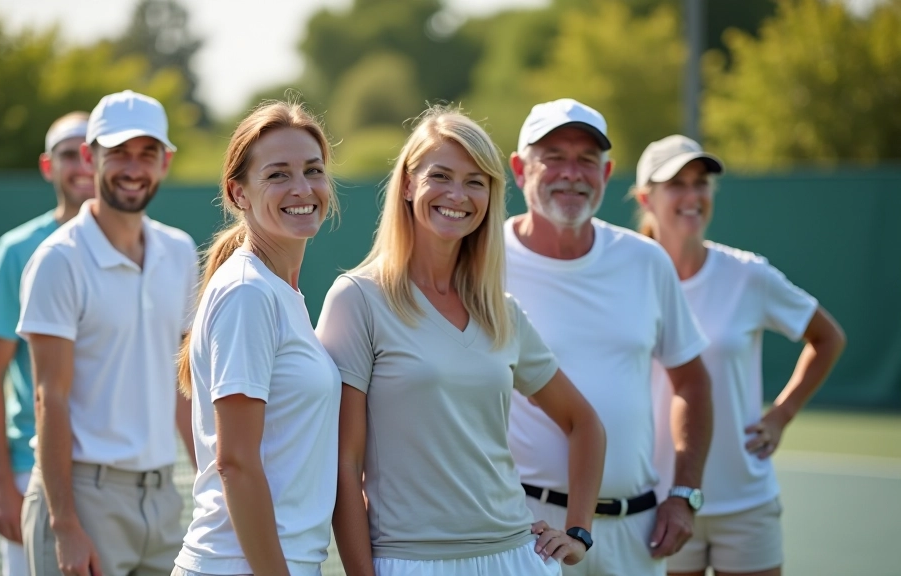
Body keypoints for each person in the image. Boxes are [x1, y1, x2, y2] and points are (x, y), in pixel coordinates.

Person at [316, 106, 606, 576]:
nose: (458, 194)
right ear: (409, 184)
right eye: (442, 176)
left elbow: (585, 422)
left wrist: (577, 533)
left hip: (517, 558)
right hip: (410, 561)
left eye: (476, 181)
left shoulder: (502, 311)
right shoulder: (357, 299)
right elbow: (342, 465)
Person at [504, 99, 714, 576]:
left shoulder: (646, 261)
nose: (571, 173)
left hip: (635, 534)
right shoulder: (482, 260)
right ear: (520, 169)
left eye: (587, 160)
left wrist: (684, 494)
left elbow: (692, 384)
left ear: (607, 172)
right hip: (525, 531)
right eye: (553, 156)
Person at [632, 135, 847, 576]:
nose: (693, 196)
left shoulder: (748, 275)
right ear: (645, 198)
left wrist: (781, 415)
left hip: (746, 503)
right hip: (655, 505)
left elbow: (828, 338)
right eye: (677, 184)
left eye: (701, 183)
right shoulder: (624, 279)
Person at [17, 90, 198, 576]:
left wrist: (210, 480)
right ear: (88, 156)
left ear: (166, 162)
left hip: (163, 502)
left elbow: (183, 386)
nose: (133, 168)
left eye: (147, 153)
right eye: (118, 152)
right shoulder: (58, 260)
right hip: (82, 501)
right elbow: (48, 397)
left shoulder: (180, 252)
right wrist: (65, 524)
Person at [170, 100, 342, 576]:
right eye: (278, 175)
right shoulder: (248, 293)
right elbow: (236, 463)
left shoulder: (277, 291)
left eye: (313, 170)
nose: (302, 188)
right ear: (238, 192)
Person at [0, 112, 94, 576]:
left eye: (89, 151)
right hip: (36, 471)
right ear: (49, 166)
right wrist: (4, 483)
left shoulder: (143, 247)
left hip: (115, 475)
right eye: (69, 154)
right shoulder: (17, 250)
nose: (81, 164)